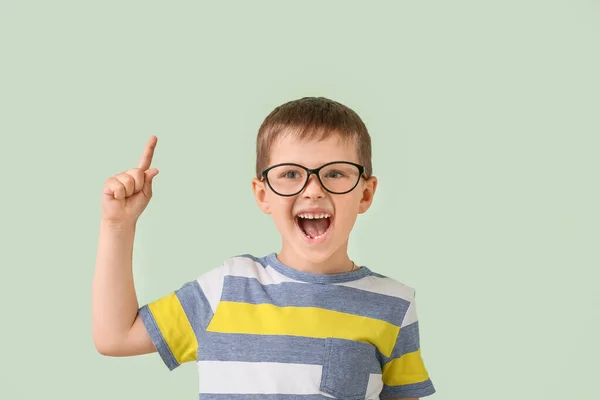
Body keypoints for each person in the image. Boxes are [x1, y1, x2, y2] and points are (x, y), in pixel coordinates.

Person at [92, 96, 436, 399]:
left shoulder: (394, 305)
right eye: (290, 174)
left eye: (334, 173)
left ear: (365, 194)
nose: (313, 189)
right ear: (262, 194)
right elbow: (115, 337)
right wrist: (118, 226)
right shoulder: (225, 289)